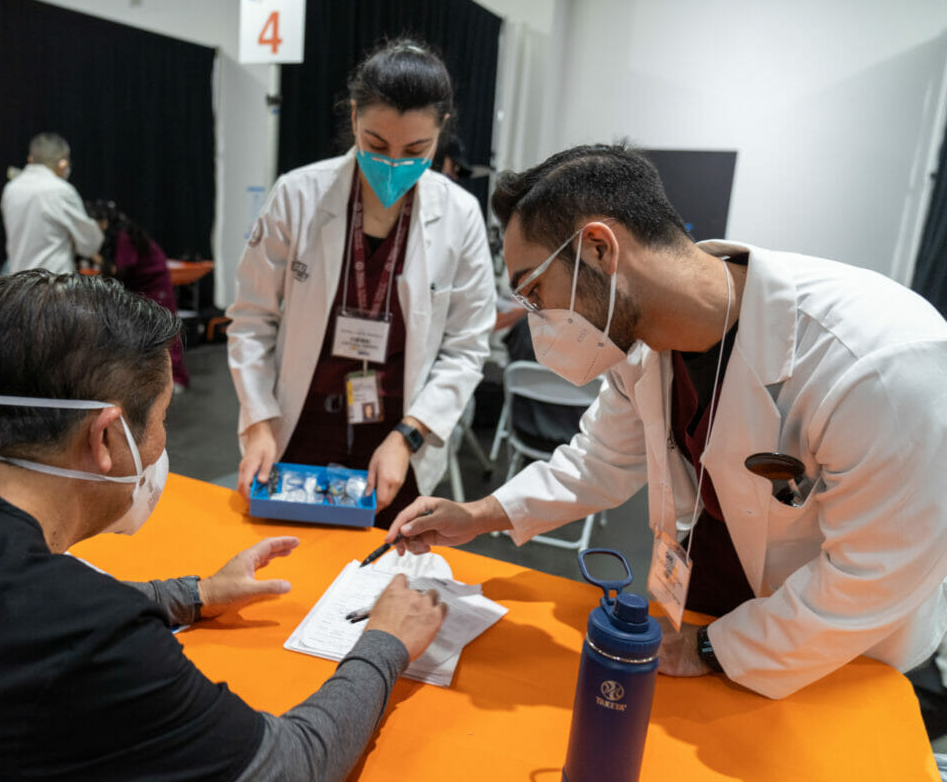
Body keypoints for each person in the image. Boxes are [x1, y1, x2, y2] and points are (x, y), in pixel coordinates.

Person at [0, 271, 447, 780]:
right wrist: (384, 641)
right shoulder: (79, 630)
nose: (164, 444)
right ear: (109, 438)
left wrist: (194, 593)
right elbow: (290, 765)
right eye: (163, 421)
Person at [386, 142, 947, 700]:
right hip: (708, 613)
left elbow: (872, 577)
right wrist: (477, 514)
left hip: (836, 659)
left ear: (600, 249)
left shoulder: (877, 364)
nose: (537, 321)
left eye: (536, 293)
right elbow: (601, 459)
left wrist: (713, 649)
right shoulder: (642, 344)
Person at [228, 39, 496, 527]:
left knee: (379, 577)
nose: (394, 163)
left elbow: (467, 347)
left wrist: (408, 436)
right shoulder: (297, 195)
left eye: (416, 150)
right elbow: (251, 320)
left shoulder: (460, 215)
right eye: (377, 145)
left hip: (395, 439)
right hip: (299, 425)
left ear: (441, 135)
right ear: (353, 118)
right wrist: (261, 422)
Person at [87, 199, 191, 391]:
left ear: (102, 221)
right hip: (138, 288)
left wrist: (91, 253)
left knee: (166, 333)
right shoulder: (113, 238)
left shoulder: (123, 237)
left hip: (154, 286)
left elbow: (119, 269)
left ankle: (177, 378)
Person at [1, 132, 104, 274]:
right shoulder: (60, 190)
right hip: (53, 283)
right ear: (63, 163)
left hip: (19, 283)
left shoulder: (11, 189)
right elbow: (90, 243)